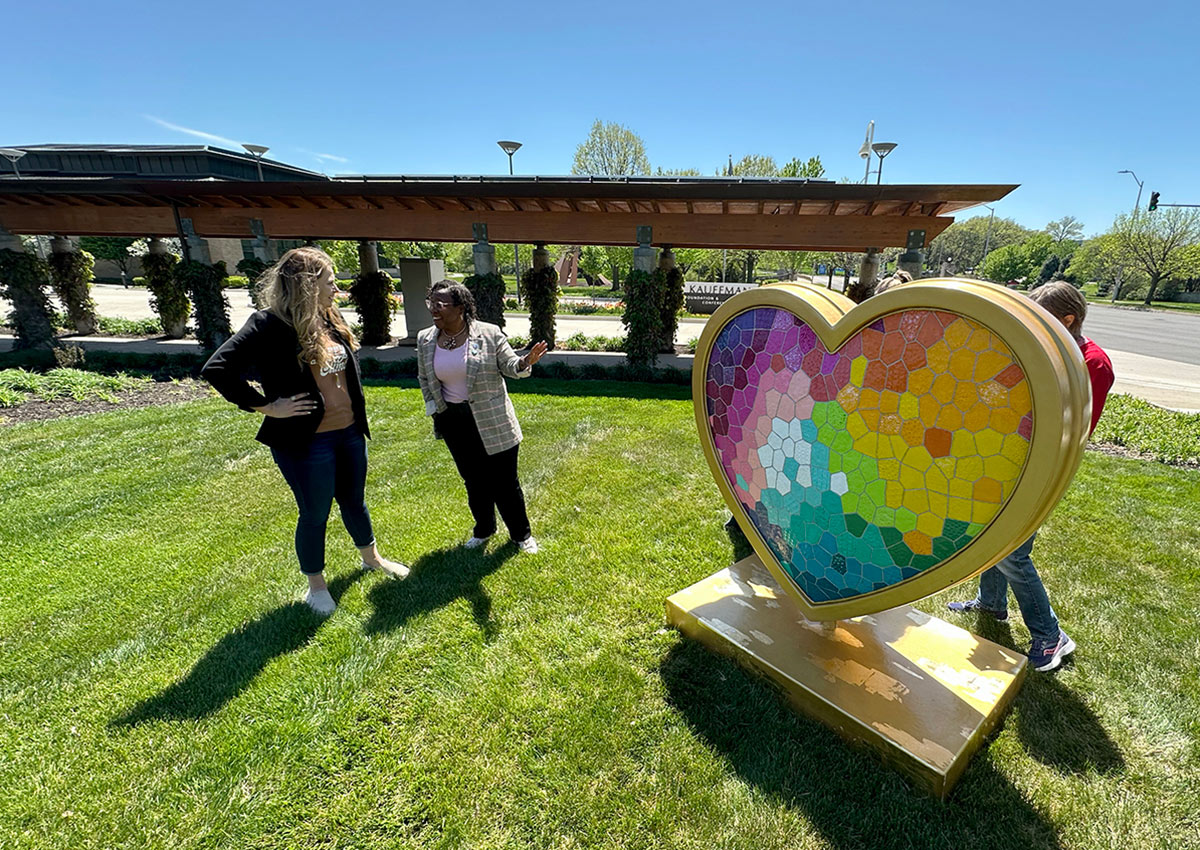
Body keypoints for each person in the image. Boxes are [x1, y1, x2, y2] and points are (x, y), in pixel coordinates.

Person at [201, 247, 408, 616]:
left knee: (354, 501)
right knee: (314, 513)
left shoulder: (328, 317)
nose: (337, 290)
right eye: (330, 283)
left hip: (348, 433)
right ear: (307, 286)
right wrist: (268, 406)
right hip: (307, 442)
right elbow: (217, 369)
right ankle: (316, 587)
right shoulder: (267, 324)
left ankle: (372, 559)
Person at [948, 280, 1114, 671]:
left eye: (1044, 317)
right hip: (1014, 460)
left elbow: (1075, 426)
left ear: (1068, 319)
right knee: (994, 533)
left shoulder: (1092, 363)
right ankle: (991, 602)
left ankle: (1049, 634)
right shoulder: (1053, 351)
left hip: (1043, 466)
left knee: (1013, 551)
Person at [417, 280, 547, 553]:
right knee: (473, 481)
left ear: (461, 308)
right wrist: (435, 410)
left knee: (505, 484)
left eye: (440, 304)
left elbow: (510, 365)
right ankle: (484, 529)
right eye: (431, 303)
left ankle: (522, 536)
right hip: (454, 421)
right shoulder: (426, 339)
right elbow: (424, 378)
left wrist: (525, 362)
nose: (433, 309)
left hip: (492, 419)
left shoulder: (488, 334)